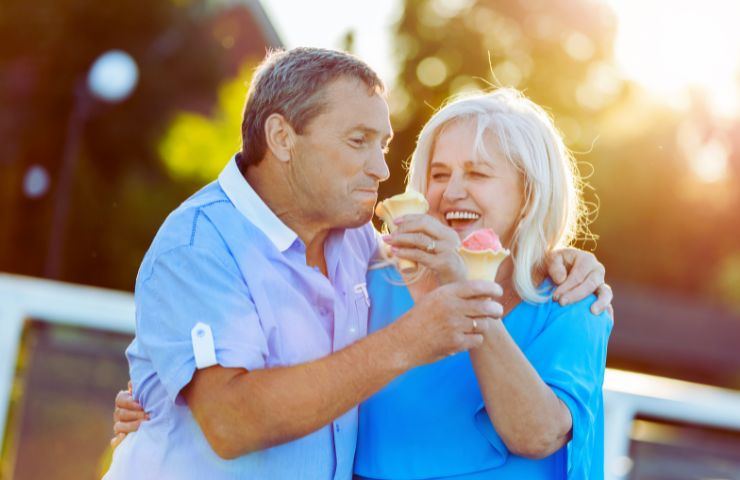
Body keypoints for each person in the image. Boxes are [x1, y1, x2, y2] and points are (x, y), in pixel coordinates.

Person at [106, 47, 612, 480]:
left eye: (384, 145)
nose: (382, 169)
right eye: (358, 141)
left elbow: (538, 426)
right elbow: (231, 421)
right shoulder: (198, 247)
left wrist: (564, 256)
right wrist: (412, 340)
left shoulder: (355, 244)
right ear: (282, 138)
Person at [352, 89, 613, 479]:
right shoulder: (374, 278)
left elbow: (538, 436)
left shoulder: (572, 301)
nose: (452, 191)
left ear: (530, 194)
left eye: (477, 173)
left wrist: (460, 279)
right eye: (440, 174)